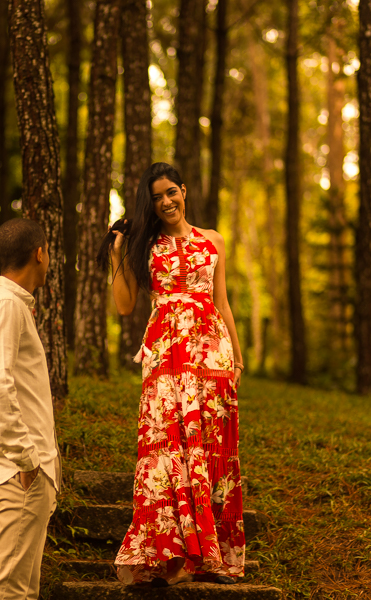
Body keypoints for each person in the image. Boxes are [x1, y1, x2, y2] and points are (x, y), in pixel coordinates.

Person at [105, 162, 246, 586]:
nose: (166, 201)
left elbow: (221, 302)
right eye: (157, 197)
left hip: (212, 354)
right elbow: (125, 307)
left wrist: (236, 360)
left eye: (171, 192)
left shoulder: (214, 240)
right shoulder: (144, 246)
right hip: (165, 352)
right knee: (166, 443)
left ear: (184, 191)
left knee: (212, 448)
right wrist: (116, 253)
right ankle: (170, 554)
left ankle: (213, 555)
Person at [0, 217, 61, 600]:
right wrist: (27, 460)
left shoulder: (11, 304)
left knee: (20, 594)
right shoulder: (6, 305)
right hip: (17, 475)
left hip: (24, 476)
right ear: (39, 254)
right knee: (4, 594)